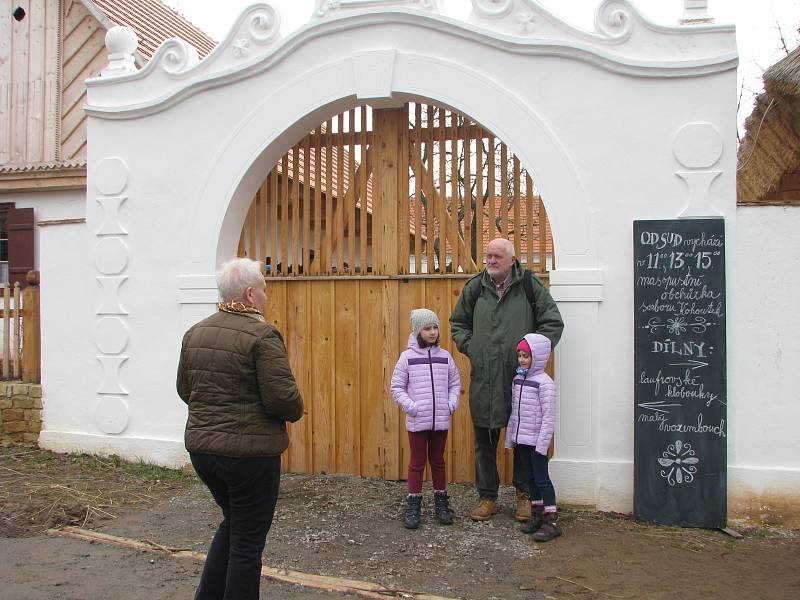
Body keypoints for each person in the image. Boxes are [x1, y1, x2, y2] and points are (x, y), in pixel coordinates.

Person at [177, 257, 304, 600]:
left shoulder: (195, 332)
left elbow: (185, 390)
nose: (266, 295)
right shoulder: (262, 335)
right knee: (247, 542)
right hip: (250, 458)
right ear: (250, 294)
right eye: (263, 289)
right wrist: (298, 404)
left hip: (203, 452)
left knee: (234, 523)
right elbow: (284, 401)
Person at [450, 237, 563, 522]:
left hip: (522, 379)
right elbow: (458, 323)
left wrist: (534, 354)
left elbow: (552, 323)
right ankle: (487, 496)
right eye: (488, 255)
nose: (490, 261)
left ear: (512, 260)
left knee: (524, 439)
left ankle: (525, 496)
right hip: (485, 377)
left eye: (497, 256)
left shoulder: (529, 286)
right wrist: (472, 347)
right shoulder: (476, 287)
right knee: (484, 440)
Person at [391, 308, 461, 529]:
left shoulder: (445, 356)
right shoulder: (407, 358)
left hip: (441, 419)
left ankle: (441, 503)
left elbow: (455, 384)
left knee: (438, 461)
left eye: (435, 327)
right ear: (417, 331)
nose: (432, 332)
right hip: (417, 420)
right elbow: (397, 387)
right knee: (417, 462)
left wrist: (450, 405)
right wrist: (412, 408)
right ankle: (414, 504)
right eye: (427, 328)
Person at [505, 334, 561, 541]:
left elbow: (548, 416)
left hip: (537, 442)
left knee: (542, 479)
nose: (521, 360)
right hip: (522, 440)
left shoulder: (545, 384)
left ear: (537, 357)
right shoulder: (518, 379)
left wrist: (542, 442)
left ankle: (552, 519)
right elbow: (515, 411)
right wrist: (511, 437)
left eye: (526, 356)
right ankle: (536, 514)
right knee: (530, 479)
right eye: (520, 355)